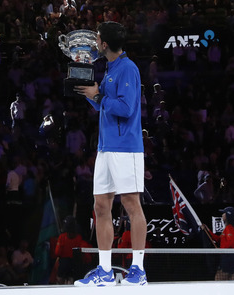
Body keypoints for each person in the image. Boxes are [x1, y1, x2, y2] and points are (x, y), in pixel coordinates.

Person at [73, 21, 147, 287]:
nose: (95, 43)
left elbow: (126, 108)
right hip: (105, 149)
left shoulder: (128, 69)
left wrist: (100, 97)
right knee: (100, 206)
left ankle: (138, 270)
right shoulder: (110, 69)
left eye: (97, 39)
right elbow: (101, 107)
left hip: (126, 148)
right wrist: (88, 91)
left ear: (105, 44)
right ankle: (104, 270)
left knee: (131, 204)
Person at [202, 206, 234, 281]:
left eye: (223, 213)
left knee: (218, 280)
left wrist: (220, 250)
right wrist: (208, 230)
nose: (222, 215)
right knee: (230, 282)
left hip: (229, 259)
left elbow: (231, 243)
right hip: (230, 258)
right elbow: (219, 239)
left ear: (228, 215)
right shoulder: (227, 228)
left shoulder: (229, 228)